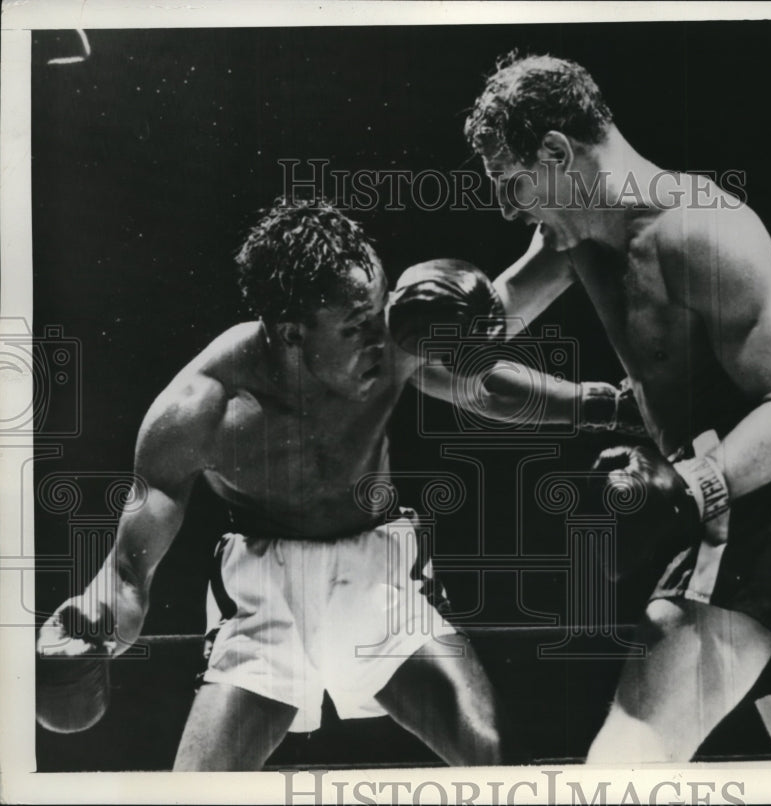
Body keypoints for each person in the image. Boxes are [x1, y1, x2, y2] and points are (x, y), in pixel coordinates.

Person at [35, 198, 642, 770]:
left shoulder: (389, 332)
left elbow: (476, 379)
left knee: (496, 761)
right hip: (266, 593)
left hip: (380, 574)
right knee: (199, 790)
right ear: (292, 333)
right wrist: (93, 626)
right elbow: (127, 571)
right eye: (355, 327)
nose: (383, 339)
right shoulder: (202, 409)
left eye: (379, 312)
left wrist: (612, 403)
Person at [464, 53, 771, 762]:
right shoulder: (573, 228)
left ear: (557, 152)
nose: (507, 207)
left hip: (766, 506)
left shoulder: (704, 231)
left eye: (512, 183)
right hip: (748, 515)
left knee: (627, 758)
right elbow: (474, 347)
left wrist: (690, 488)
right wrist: (421, 325)